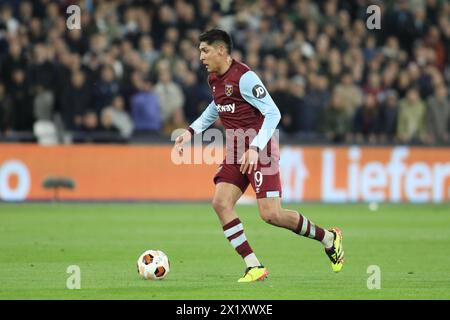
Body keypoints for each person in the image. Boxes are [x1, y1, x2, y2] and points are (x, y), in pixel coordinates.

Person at [174, 29, 344, 282]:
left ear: (221, 50)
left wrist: (254, 148)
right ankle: (253, 265)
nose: (200, 56)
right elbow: (215, 107)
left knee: (271, 215)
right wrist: (191, 131)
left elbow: (274, 113)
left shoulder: (245, 77)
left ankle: (329, 238)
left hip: (260, 150)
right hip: (235, 150)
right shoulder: (213, 79)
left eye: (204, 50)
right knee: (220, 203)